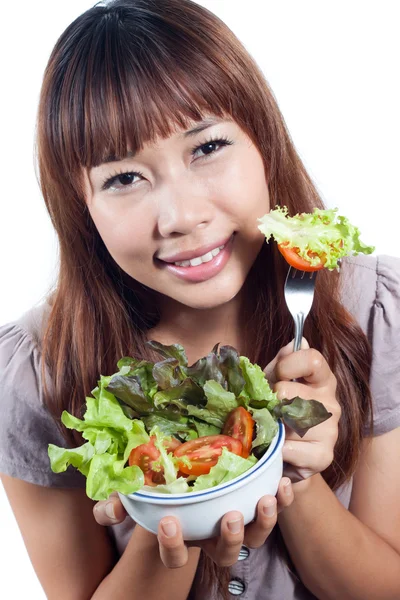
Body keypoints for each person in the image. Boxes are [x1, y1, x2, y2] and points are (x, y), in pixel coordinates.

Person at [0, 0, 399, 598]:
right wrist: (173, 509)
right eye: (124, 178)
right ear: (81, 211)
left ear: (262, 140)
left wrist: (289, 470)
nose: (182, 217)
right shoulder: (35, 373)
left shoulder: (369, 309)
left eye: (207, 147)